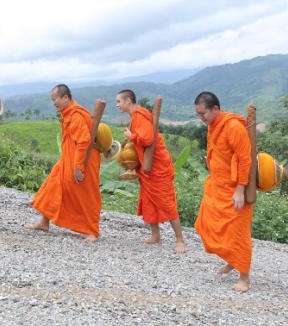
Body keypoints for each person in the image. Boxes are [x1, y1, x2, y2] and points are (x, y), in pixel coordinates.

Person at [25, 84, 102, 243]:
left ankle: (91, 231)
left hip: (82, 160)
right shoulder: (70, 112)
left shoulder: (76, 115)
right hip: (68, 158)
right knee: (53, 185)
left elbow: (83, 142)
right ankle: (44, 222)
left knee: (85, 195)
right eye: (52, 99)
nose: (54, 103)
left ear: (65, 97)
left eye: (55, 99)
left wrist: (78, 167)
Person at [193, 91, 253, 292]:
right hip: (217, 185)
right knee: (205, 223)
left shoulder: (233, 126)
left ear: (216, 109)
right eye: (198, 115)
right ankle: (231, 260)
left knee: (237, 232)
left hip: (234, 188)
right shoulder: (213, 126)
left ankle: (244, 277)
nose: (202, 118)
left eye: (204, 114)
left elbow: (244, 159)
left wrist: (239, 190)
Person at [115, 89, 186, 254]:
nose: (117, 104)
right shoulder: (136, 116)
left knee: (167, 203)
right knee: (148, 200)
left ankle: (180, 240)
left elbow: (147, 139)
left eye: (119, 101)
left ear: (128, 101)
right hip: (147, 167)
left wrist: (131, 135)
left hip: (157, 166)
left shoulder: (139, 115)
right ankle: (155, 236)